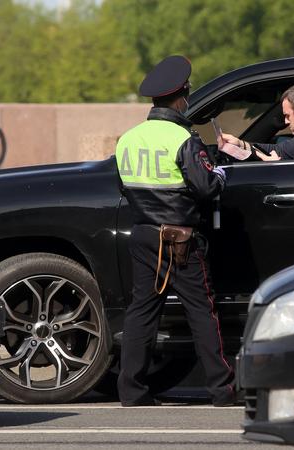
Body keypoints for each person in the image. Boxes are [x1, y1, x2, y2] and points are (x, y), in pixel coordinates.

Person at [115, 55, 235, 407]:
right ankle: (222, 391)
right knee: (202, 311)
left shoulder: (128, 139)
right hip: (181, 240)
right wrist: (221, 173)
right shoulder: (184, 138)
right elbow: (206, 188)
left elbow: (123, 187)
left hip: (143, 235)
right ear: (182, 96)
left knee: (142, 311)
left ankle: (132, 392)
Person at [221, 84, 294, 161]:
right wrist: (240, 144)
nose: (286, 121)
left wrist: (277, 168)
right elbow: (278, 150)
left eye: (287, 115)